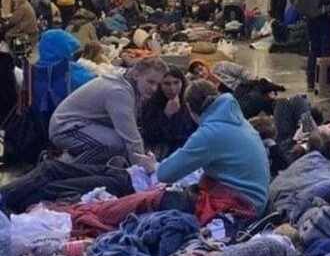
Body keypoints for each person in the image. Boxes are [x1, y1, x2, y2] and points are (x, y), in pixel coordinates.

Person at [156, 80, 271, 216]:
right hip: (258, 202)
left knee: (157, 200)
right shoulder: (239, 121)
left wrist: (153, 166)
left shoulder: (209, 133)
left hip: (240, 207)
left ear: (190, 109)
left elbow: (164, 174)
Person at [48, 57, 168, 166]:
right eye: (150, 82)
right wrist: (142, 169)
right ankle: (64, 170)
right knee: (115, 144)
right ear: (136, 74)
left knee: (118, 146)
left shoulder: (127, 82)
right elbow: (131, 137)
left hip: (80, 124)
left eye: (158, 84)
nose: (154, 88)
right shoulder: (119, 92)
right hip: (64, 127)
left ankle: (68, 161)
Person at [141, 66, 197, 159]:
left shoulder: (190, 102)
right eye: (167, 84)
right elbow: (149, 135)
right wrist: (166, 115)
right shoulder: (151, 103)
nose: (172, 88)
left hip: (187, 150)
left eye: (176, 83)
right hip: (162, 153)